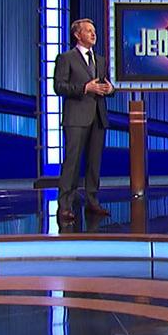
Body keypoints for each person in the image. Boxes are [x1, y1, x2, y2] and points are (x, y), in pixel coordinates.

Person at [53, 18, 114, 223]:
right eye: (88, 31)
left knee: (94, 162)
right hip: (76, 117)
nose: (93, 34)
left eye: (94, 30)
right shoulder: (66, 58)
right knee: (72, 162)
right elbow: (59, 87)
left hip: (98, 116)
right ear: (77, 35)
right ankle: (65, 205)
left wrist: (109, 90)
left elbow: (105, 85)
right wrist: (84, 89)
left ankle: (92, 201)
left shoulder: (101, 60)